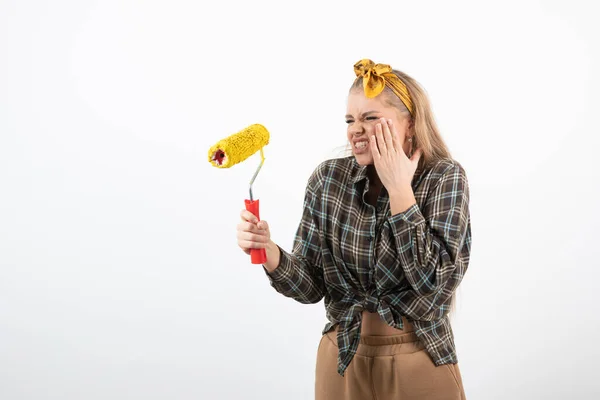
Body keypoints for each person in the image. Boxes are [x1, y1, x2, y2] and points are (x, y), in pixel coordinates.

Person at [236, 58, 472, 400]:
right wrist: (271, 253)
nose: (355, 129)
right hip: (342, 357)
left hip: (418, 357)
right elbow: (310, 287)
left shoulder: (444, 177)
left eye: (370, 118)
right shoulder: (328, 179)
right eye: (350, 119)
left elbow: (434, 284)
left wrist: (400, 191)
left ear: (410, 124)